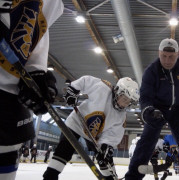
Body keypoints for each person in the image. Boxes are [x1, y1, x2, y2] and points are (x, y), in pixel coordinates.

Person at [0, 1, 64, 179]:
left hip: (8, 98)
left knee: (7, 151)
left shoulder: (53, 2)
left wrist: (37, 72)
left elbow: (34, 28)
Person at [125, 38, 179, 180]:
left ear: (178, 54)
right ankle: (133, 176)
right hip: (158, 110)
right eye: (164, 56)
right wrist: (148, 111)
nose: (167, 60)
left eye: (171, 57)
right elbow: (145, 97)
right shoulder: (151, 71)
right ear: (159, 53)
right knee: (147, 140)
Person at [42, 76, 140, 180]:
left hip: (95, 135)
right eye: (124, 99)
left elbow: (112, 135)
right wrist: (72, 91)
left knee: (104, 158)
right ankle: (50, 176)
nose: (125, 104)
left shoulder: (121, 116)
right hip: (76, 123)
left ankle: (110, 178)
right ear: (117, 90)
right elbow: (85, 81)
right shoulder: (103, 88)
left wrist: (106, 146)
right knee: (64, 150)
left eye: (128, 102)